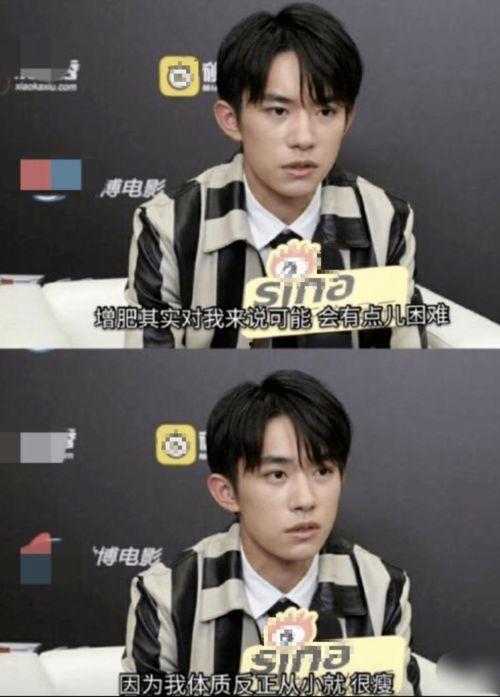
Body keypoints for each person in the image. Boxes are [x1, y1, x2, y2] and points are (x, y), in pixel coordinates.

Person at [125, 3, 427, 349]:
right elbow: (153, 361)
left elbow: (406, 359)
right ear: (231, 120)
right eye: (279, 111)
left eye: (326, 111)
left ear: (348, 119)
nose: (304, 138)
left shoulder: (385, 220)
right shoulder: (169, 225)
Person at [122, 370, 421, 693]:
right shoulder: (168, 595)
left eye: (322, 471)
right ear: (227, 492)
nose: (305, 500)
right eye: (277, 475)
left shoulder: (381, 588)